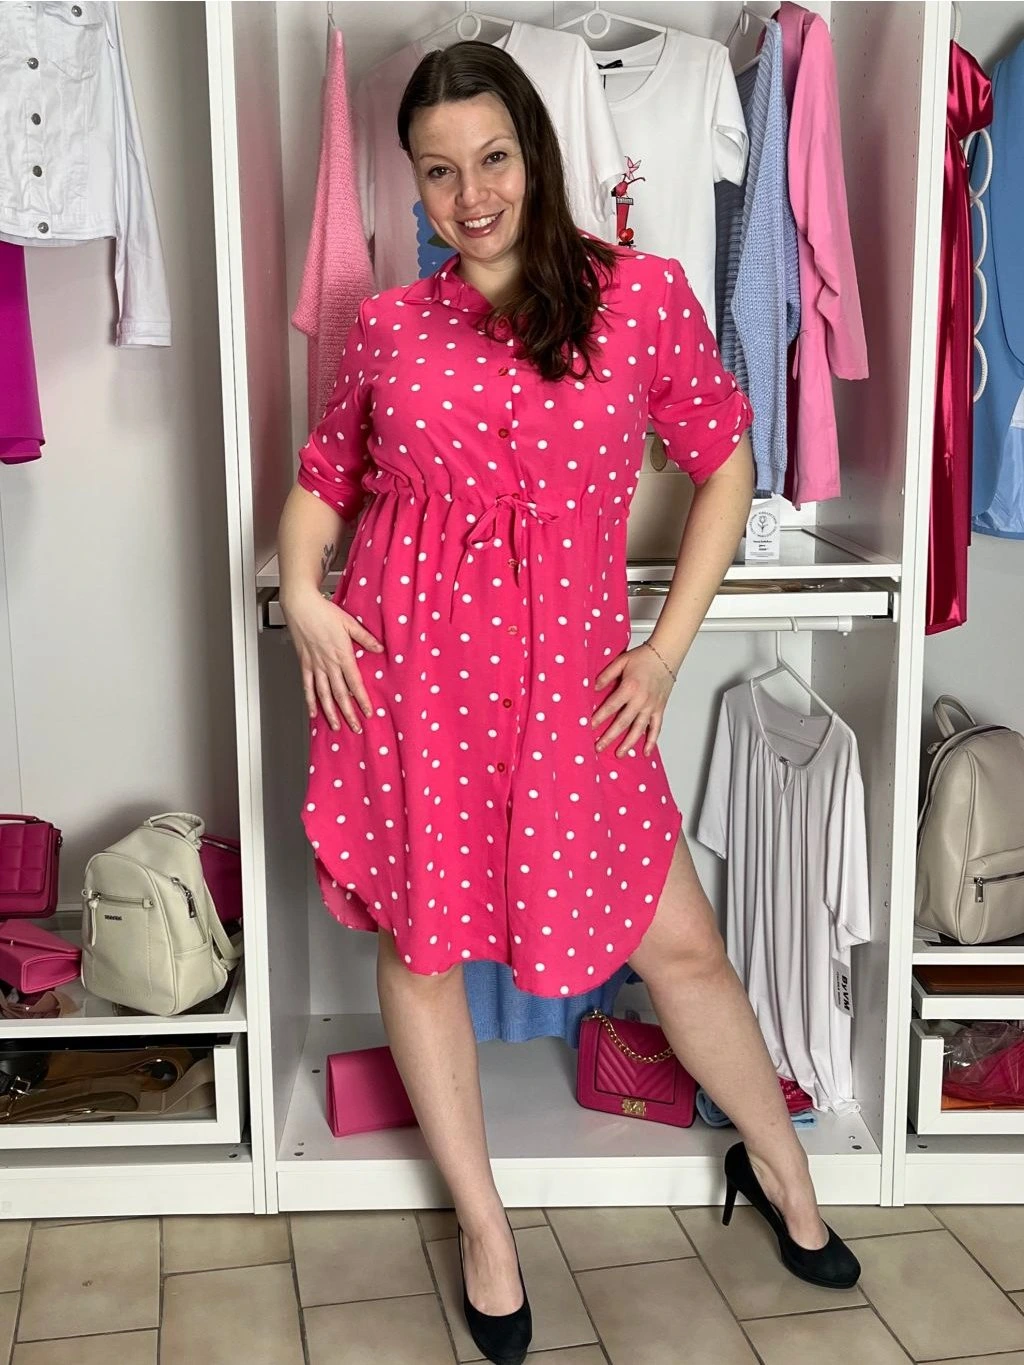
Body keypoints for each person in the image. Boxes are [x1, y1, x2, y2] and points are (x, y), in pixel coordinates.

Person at [277, 40, 860, 1365]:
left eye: (492, 158)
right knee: (424, 952)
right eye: (439, 172)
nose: (471, 195)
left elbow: (726, 462)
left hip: (569, 699)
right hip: (412, 691)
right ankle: (486, 1232)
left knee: (682, 950)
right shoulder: (388, 325)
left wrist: (663, 656)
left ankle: (784, 1173)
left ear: (535, 153)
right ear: (414, 185)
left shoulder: (642, 298)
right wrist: (305, 591)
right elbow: (325, 476)